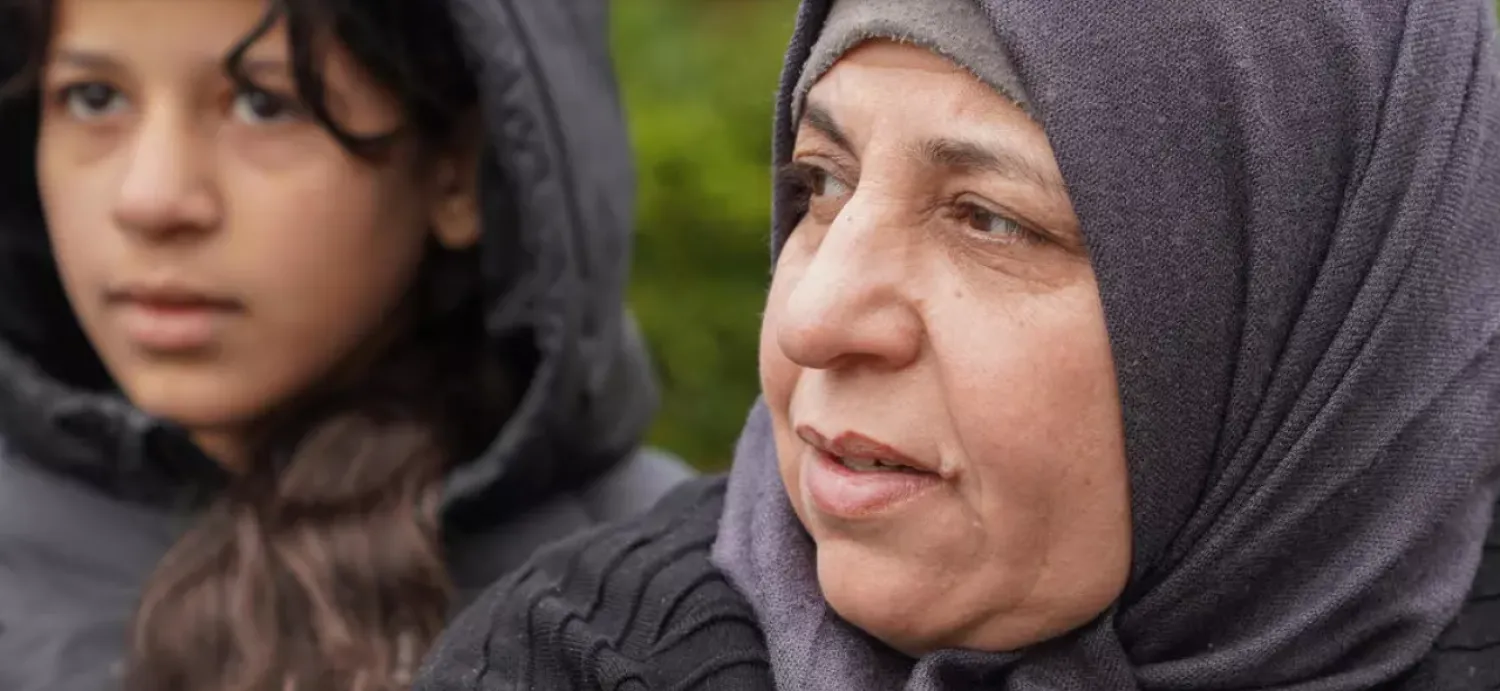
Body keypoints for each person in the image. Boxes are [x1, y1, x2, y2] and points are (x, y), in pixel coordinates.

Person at [413, 0, 1500, 688]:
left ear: (1308, 321)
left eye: (991, 217)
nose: (811, 314)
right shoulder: (573, 659)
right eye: (820, 184)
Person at [0, 0, 691, 689]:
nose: (150, 198)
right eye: (93, 98)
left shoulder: (680, 598)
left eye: (264, 104)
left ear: (458, 167)